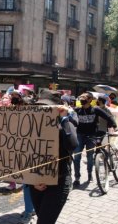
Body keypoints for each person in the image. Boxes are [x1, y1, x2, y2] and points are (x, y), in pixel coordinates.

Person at [29, 89, 78, 224]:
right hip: (35, 182)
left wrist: (64, 118)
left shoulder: (66, 122)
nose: (44, 109)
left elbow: (73, 145)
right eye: (41, 106)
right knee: (43, 218)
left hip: (59, 181)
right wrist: (32, 181)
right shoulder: (31, 124)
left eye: (48, 106)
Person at [73, 92, 117, 187]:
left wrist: (114, 125)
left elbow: (108, 117)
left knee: (89, 157)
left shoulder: (95, 109)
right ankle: (77, 177)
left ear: (90, 100)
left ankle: (90, 174)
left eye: (84, 97)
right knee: (77, 157)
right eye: (80, 97)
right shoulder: (77, 110)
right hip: (79, 135)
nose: (81, 99)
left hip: (91, 136)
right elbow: (67, 114)